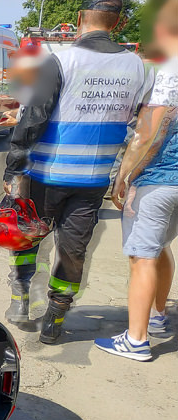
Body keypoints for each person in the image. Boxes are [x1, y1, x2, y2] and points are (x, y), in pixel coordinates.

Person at [2, 0, 148, 344]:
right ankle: (55, 318)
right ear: (119, 23)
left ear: (80, 18)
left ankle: (21, 301)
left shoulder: (62, 60)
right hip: (93, 180)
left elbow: (34, 116)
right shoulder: (139, 68)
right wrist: (126, 176)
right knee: (73, 250)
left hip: (45, 175)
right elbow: (142, 127)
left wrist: (13, 168)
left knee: (27, 237)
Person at [96, 0, 178, 361]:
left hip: (160, 180)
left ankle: (136, 339)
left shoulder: (172, 71)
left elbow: (148, 134)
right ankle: (157, 317)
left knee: (142, 256)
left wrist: (124, 177)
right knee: (159, 248)